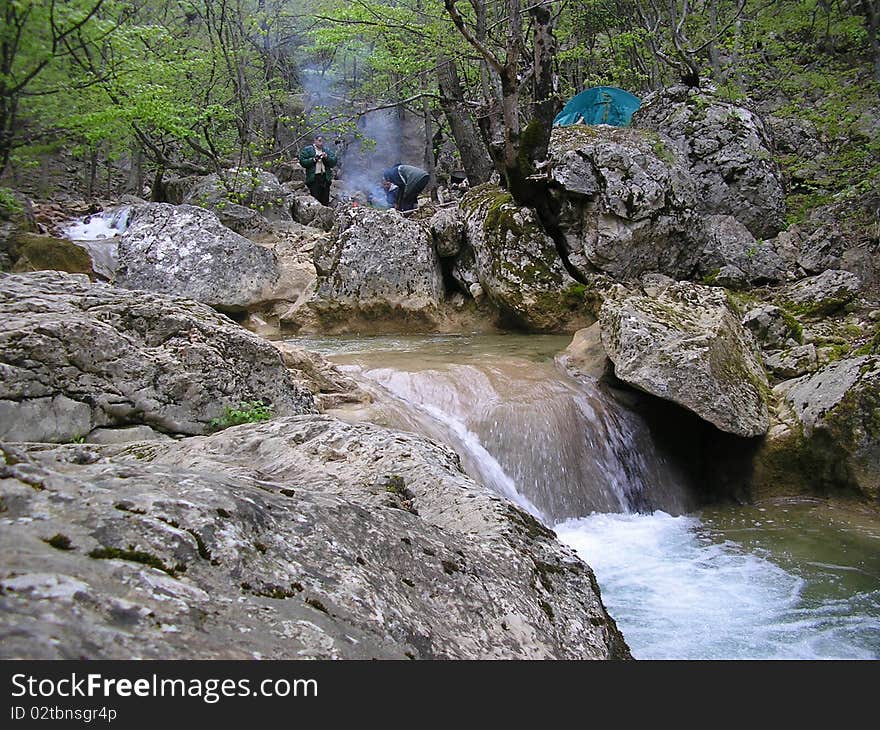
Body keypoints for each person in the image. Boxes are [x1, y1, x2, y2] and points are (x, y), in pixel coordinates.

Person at [298, 135, 337, 206]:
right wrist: (313, 159)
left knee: (325, 199)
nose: (321, 143)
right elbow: (302, 162)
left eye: (322, 141)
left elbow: (333, 162)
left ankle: (326, 214)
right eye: (319, 141)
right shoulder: (308, 150)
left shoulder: (326, 150)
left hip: (325, 177)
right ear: (315, 141)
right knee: (315, 198)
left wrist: (326, 157)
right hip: (314, 178)